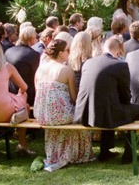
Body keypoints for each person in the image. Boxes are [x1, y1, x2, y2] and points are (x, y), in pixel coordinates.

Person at [74, 36, 139, 163]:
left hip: (84, 113)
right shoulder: (120, 65)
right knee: (137, 109)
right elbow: (125, 94)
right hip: (104, 114)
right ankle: (129, 154)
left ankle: (104, 152)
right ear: (118, 51)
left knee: (109, 107)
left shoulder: (88, 63)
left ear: (103, 48)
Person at [34, 39, 94, 169]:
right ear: (61, 53)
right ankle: (76, 153)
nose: (70, 52)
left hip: (41, 114)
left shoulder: (40, 69)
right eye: (68, 50)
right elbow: (74, 98)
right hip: (58, 115)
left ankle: (57, 153)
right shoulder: (66, 70)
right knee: (81, 117)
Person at [5, 26, 40, 107]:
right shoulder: (33, 54)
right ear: (31, 39)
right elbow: (36, 75)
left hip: (10, 92)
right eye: (35, 37)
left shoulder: (8, 51)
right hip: (27, 94)